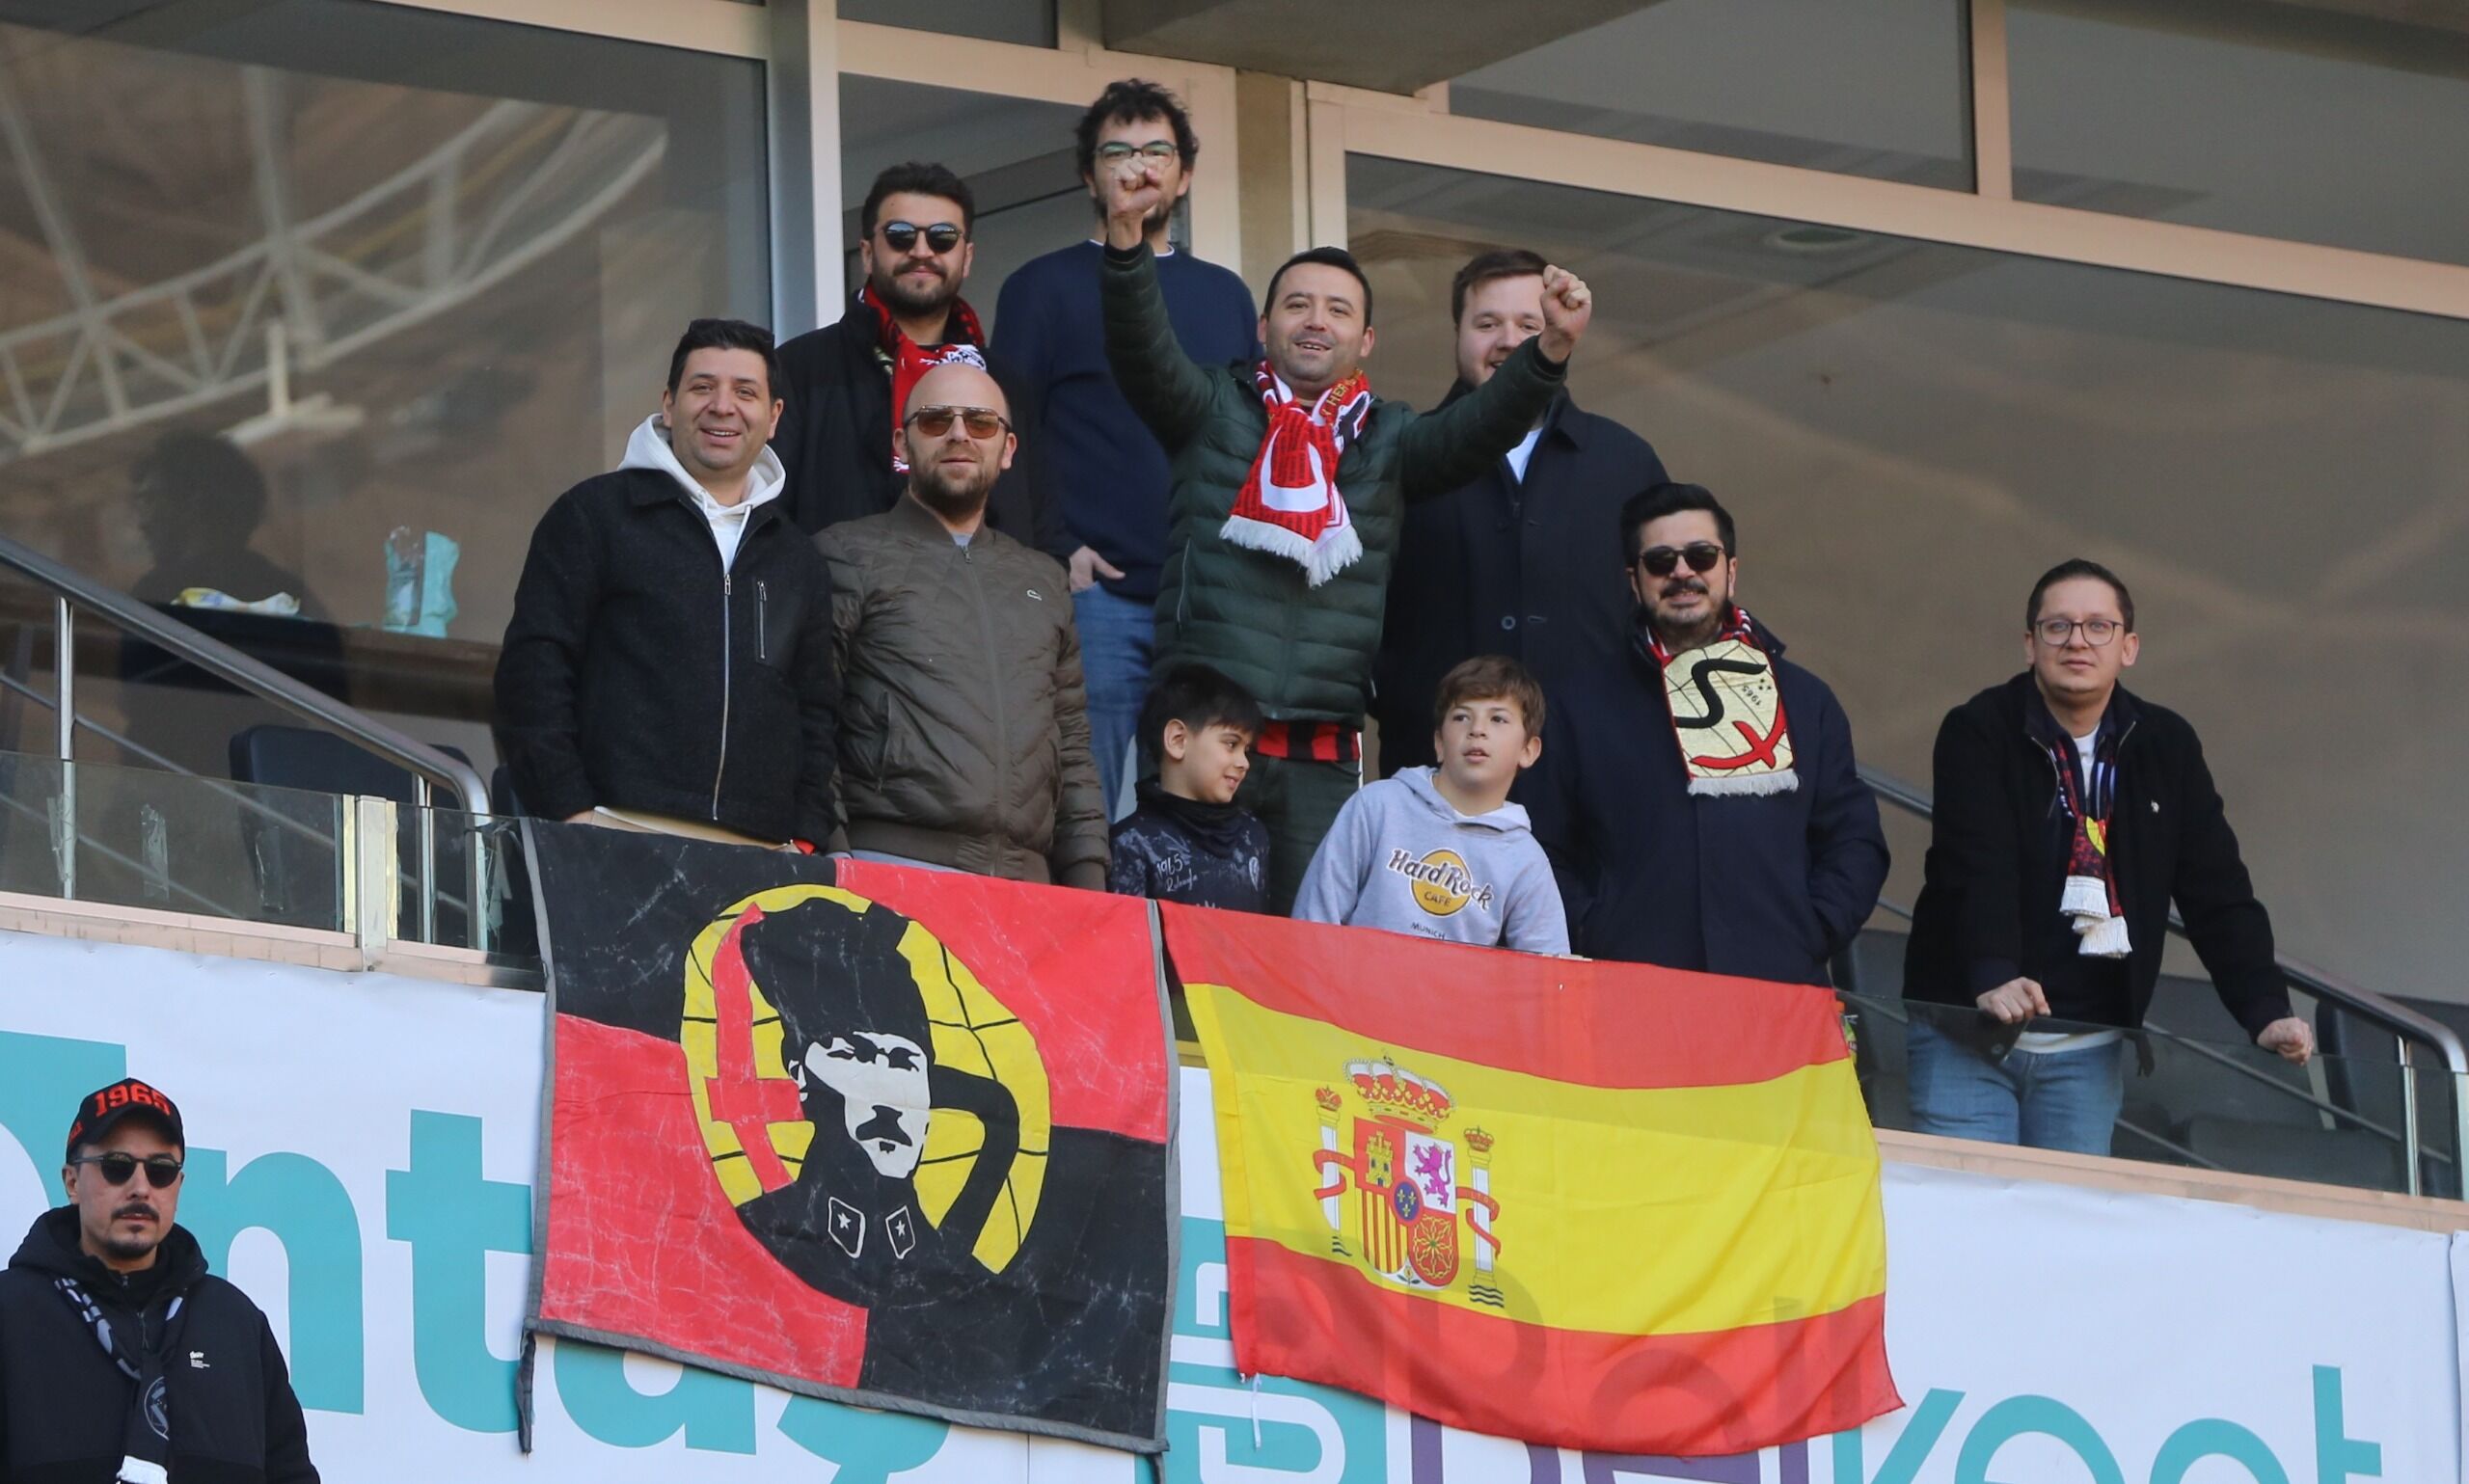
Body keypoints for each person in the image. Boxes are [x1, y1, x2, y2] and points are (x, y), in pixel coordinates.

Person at [1097, 156, 1592, 912]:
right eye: (1297, 305)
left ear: (1365, 340)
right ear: (1263, 328)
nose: (1315, 320)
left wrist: (1548, 349)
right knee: (1184, 952)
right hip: (1199, 738)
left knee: (1307, 963)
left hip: (1319, 759)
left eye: (1337, 310)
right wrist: (1128, 241)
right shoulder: (1211, 407)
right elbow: (1142, 351)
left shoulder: (1390, 438)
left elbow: (1478, 428)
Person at [1901, 559, 2316, 1155]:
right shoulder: (1979, 729)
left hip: (2085, 1053)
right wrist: (1993, 972)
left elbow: (2217, 889)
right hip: (1966, 1037)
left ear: (2129, 648)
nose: (2077, 641)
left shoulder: (2167, 745)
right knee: (1974, 1211)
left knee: (2065, 1218)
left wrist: (2264, 1008)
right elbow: (1974, 863)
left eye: (2099, 626)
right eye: (2058, 626)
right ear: (2030, 644)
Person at [994, 80, 1259, 819]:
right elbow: (1008, 433)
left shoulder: (1225, 295)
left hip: (1201, 598)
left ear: (1185, 175)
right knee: (1087, 803)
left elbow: (1243, 437)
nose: (1138, 167)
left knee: (1198, 809)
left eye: (1156, 152)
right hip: (1094, 594)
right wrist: (1057, 548)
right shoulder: (1040, 287)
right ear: (1090, 177)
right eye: (1118, 152)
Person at [495, 319, 841, 849]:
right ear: (669, 404)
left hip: (762, 853)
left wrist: (805, 837)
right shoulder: (595, 515)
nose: (722, 406)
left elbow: (816, 712)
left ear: (773, 417)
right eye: (702, 387)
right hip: (615, 831)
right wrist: (571, 813)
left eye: (745, 392)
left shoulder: (798, 559)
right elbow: (533, 671)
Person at [1523, 482, 1887, 984]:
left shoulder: (1806, 700)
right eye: (1660, 561)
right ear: (1635, 582)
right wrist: (1595, 931)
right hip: (1630, 990)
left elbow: (1853, 837)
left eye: (1701, 556)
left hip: (1777, 989)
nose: (1682, 572)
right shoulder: (1578, 705)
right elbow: (1540, 845)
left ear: (1730, 571)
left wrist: (1813, 928)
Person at [1371, 249, 1668, 776]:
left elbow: (1666, 611)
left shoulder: (1625, 462)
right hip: (1435, 774)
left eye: (1530, 325)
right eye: (1487, 323)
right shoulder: (1399, 457)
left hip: (1594, 770)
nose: (1509, 341)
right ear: (1457, 334)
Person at [819, 362, 1108, 886]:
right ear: (902, 445)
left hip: (1029, 885)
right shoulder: (845, 553)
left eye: (980, 422)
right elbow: (811, 717)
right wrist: (835, 855)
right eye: (936, 420)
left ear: (1008, 448)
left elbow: (1071, 744)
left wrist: (1088, 880)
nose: (959, 434)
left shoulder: (1043, 578)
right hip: (888, 864)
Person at [0, 1078, 319, 1483]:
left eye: (161, 1171)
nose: (140, 1188)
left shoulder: (236, 1323)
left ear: (178, 1186)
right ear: (72, 1181)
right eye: (117, 1166)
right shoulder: (11, 1314)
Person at [773, 163, 1041, 544]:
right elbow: (770, 518)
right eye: (900, 236)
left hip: (989, 583)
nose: (921, 251)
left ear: (966, 257)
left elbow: (1041, 523)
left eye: (942, 237)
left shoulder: (1003, 382)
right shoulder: (799, 369)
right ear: (867, 253)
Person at [1295, 655, 1567, 954]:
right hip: (1353, 984)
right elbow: (1314, 921)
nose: (1477, 729)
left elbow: (1549, 969)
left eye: (1498, 719)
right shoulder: (1377, 805)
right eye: (1461, 717)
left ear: (1528, 750)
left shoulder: (1526, 859)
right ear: (1439, 742)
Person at [1107, 661, 1270, 911]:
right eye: (1231, 744)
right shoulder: (1131, 843)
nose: (1244, 763)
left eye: (1246, 750)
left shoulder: (1253, 836)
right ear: (1178, 740)